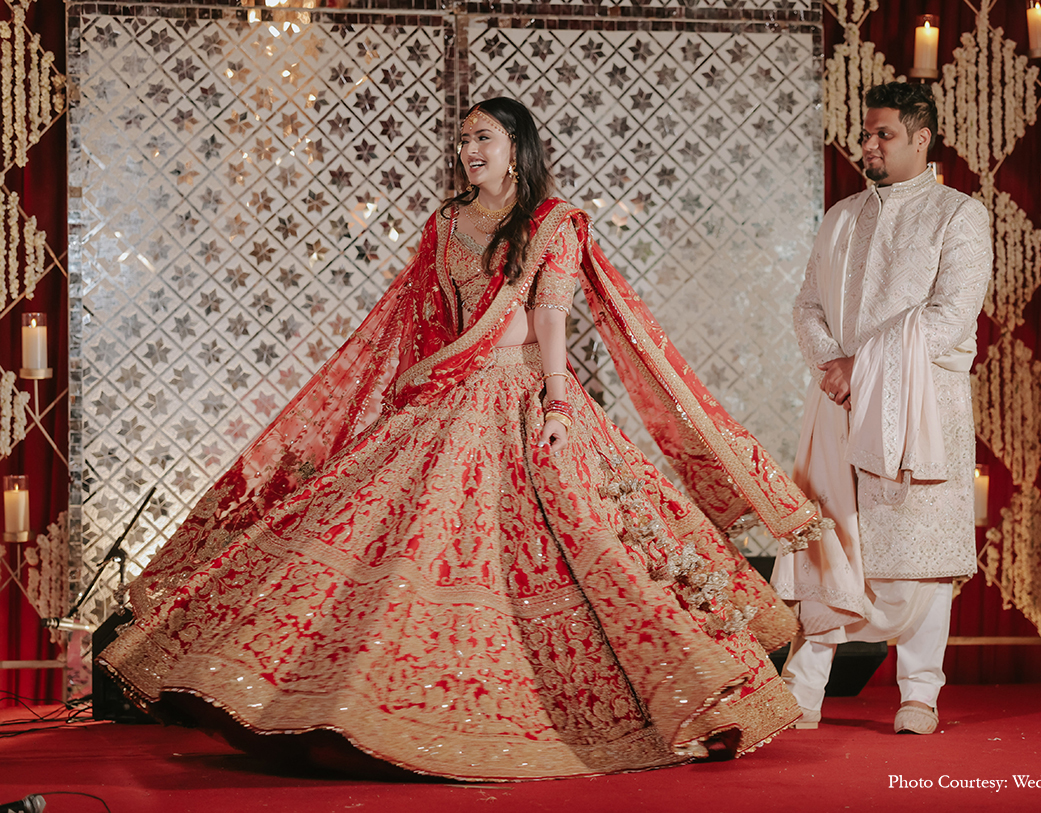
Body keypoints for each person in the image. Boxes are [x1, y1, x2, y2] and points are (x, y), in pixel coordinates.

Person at [100, 97, 850, 781]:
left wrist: (558, 406)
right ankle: (352, 702)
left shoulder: (554, 221)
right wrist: (419, 394)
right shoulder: (446, 222)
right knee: (398, 539)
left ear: (517, 147)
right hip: (452, 402)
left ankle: (664, 692)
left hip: (527, 397)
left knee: (585, 542)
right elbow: (426, 320)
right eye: (462, 141)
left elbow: (553, 318)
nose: (469, 152)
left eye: (482, 139)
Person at [770, 82, 992, 735]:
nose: (867, 144)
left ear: (921, 139)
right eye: (866, 133)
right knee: (828, 542)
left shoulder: (959, 215)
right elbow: (807, 305)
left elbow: (951, 317)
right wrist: (832, 368)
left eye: (883, 134)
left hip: (920, 404)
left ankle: (919, 692)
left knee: (916, 544)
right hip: (839, 402)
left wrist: (857, 368)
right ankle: (802, 690)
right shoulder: (841, 216)